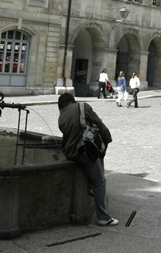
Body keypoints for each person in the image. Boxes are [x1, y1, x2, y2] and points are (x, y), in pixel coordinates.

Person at [57, 93, 118, 226]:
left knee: (94, 169)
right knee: (99, 182)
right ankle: (104, 217)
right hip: (84, 151)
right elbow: (99, 123)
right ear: (72, 101)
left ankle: (91, 188)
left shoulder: (61, 117)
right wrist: (107, 138)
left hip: (70, 153)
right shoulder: (82, 107)